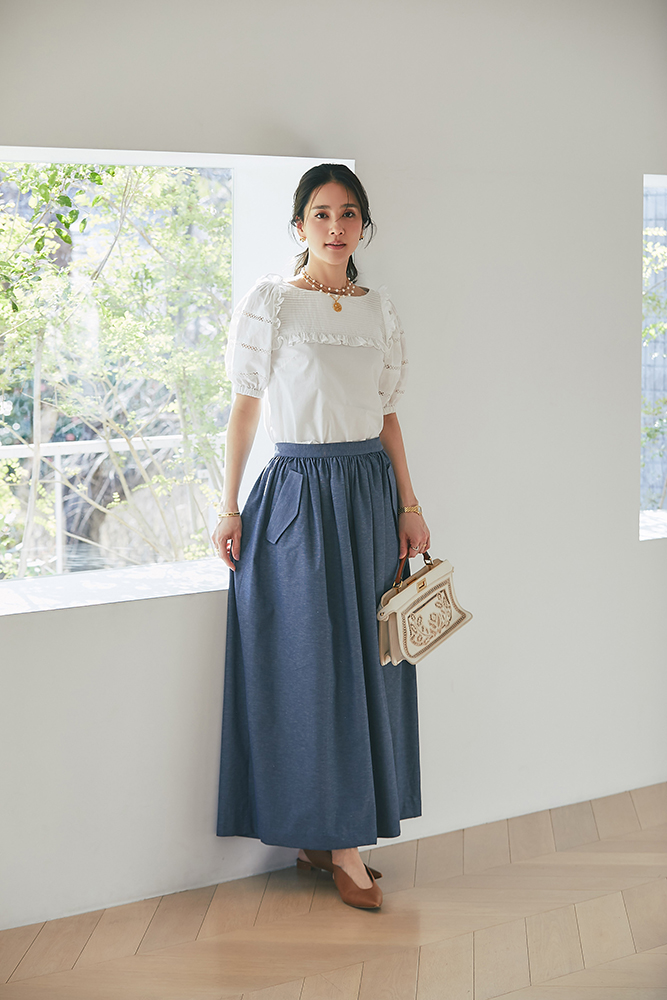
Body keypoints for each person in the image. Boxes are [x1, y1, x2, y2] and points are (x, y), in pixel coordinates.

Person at [212, 163, 430, 910]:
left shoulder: (379, 310)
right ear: (300, 225)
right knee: (312, 669)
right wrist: (227, 506)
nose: (335, 227)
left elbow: (388, 415)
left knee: (373, 663)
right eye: (320, 214)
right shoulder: (272, 303)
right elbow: (245, 410)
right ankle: (338, 844)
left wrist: (409, 503)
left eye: (347, 214)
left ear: (363, 225)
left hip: (369, 495)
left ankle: (330, 838)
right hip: (298, 496)